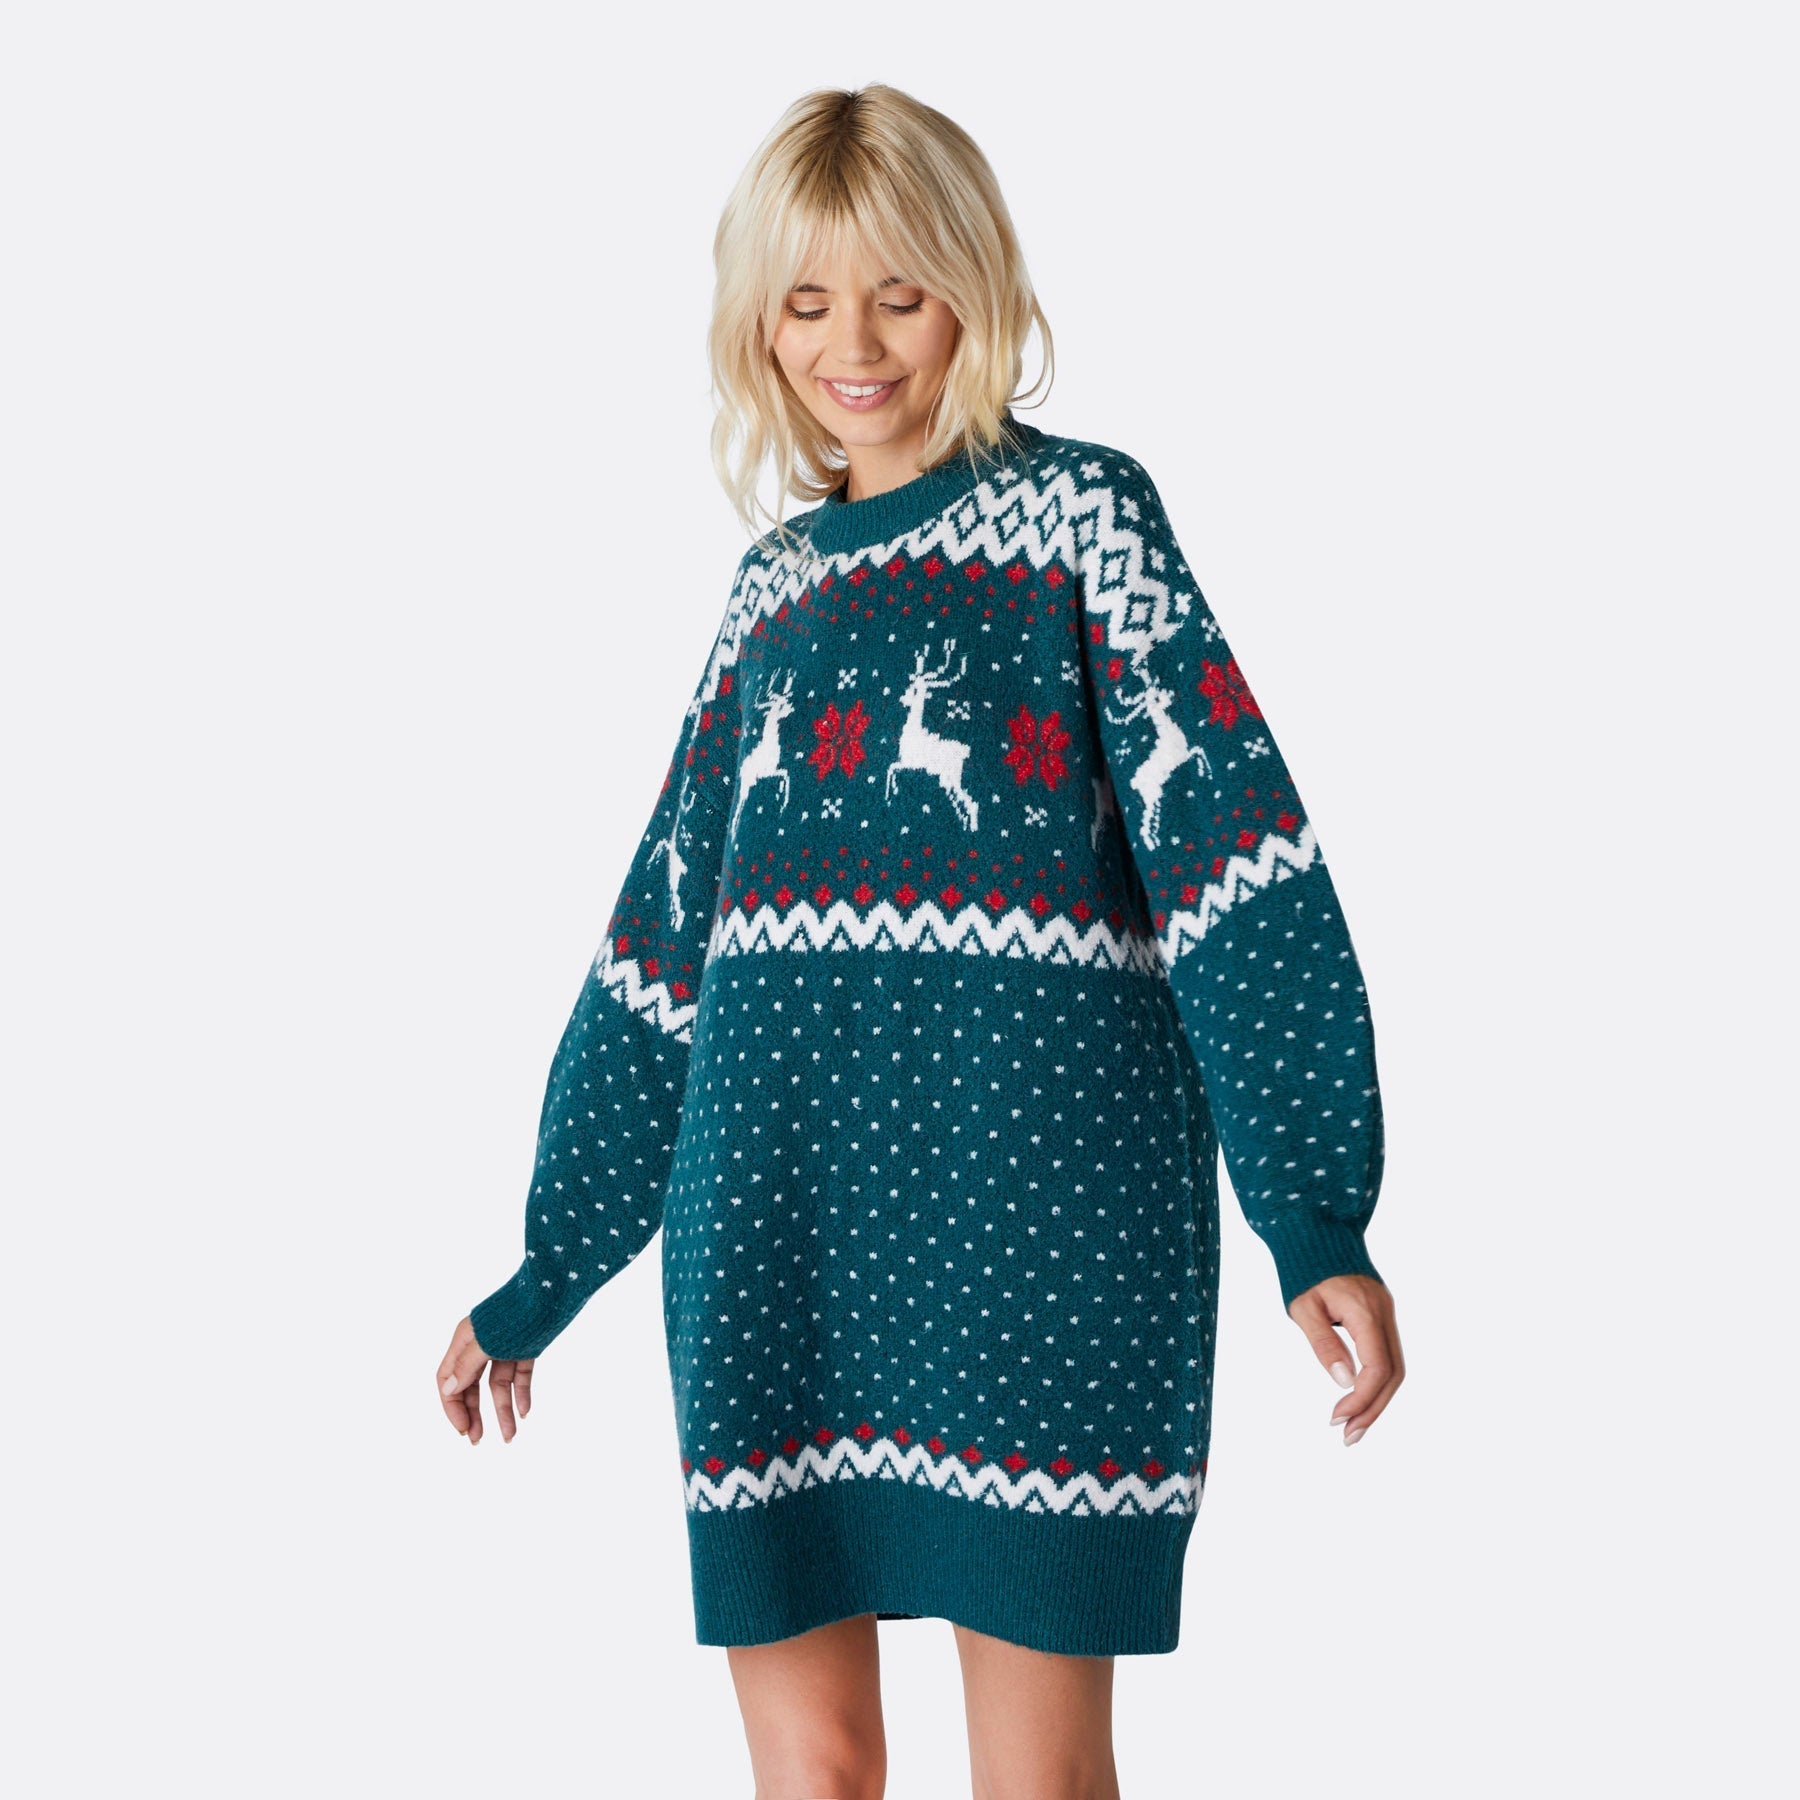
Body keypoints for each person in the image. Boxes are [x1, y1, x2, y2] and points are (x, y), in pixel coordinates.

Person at [437, 82, 1404, 1800]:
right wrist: (549, 1263)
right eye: (807, 301)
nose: (855, 345)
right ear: (758, 321)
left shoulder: (1085, 524)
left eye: (901, 293)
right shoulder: (772, 591)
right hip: (777, 1235)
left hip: (1041, 1235)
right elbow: (661, 950)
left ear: (978, 291)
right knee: (810, 1772)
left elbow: (1236, 865)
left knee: (1041, 1781)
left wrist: (1310, 1211)